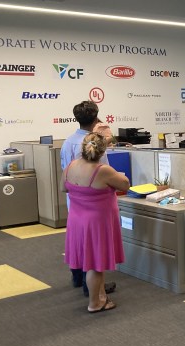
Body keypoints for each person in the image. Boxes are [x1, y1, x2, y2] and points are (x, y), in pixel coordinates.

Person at [62, 133, 130, 313]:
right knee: (95, 264)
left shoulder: (70, 167)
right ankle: (95, 303)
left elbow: (64, 187)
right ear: (102, 151)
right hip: (96, 223)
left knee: (91, 260)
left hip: (77, 220)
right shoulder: (103, 170)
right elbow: (125, 185)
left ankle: (101, 296)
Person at [61, 100, 116, 296]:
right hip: (93, 203)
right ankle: (90, 287)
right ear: (96, 118)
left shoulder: (68, 141)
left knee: (78, 242)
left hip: (75, 201)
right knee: (92, 246)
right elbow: (99, 174)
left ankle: (77, 277)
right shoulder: (92, 145)